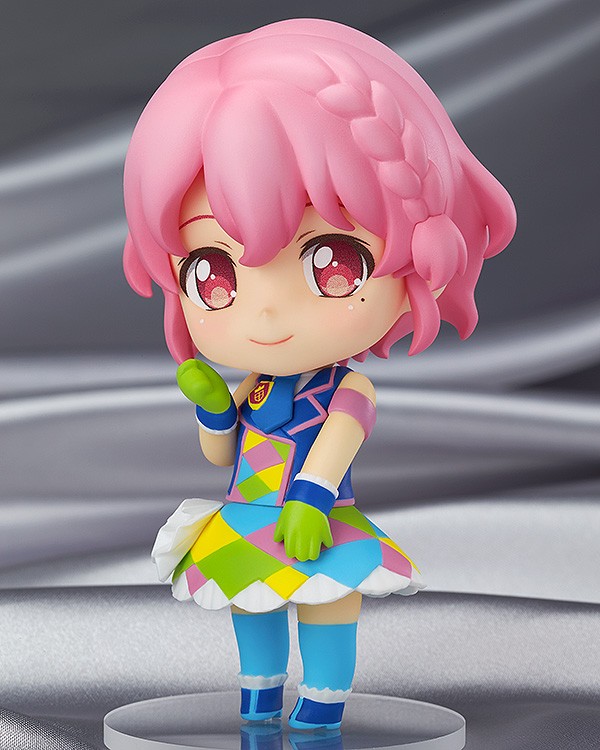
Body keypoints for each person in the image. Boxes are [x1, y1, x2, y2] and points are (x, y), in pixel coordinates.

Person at [122, 18, 516, 730]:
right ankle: (258, 700)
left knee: (329, 604)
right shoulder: (254, 385)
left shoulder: (346, 388)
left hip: (318, 518)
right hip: (247, 517)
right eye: (212, 273)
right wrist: (214, 410)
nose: (267, 310)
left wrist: (310, 499)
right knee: (250, 608)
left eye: (330, 261)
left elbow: (336, 442)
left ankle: (323, 709)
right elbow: (222, 454)